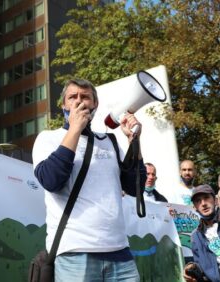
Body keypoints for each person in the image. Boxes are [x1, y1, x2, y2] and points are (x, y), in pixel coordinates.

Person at [33, 78, 145, 281]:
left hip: (120, 251)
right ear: (63, 105)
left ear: (95, 105)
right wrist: (75, 129)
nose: (79, 101)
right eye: (72, 97)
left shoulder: (109, 141)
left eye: (85, 97)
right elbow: (51, 181)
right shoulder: (47, 138)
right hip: (74, 252)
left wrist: (134, 141)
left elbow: (135, 187)